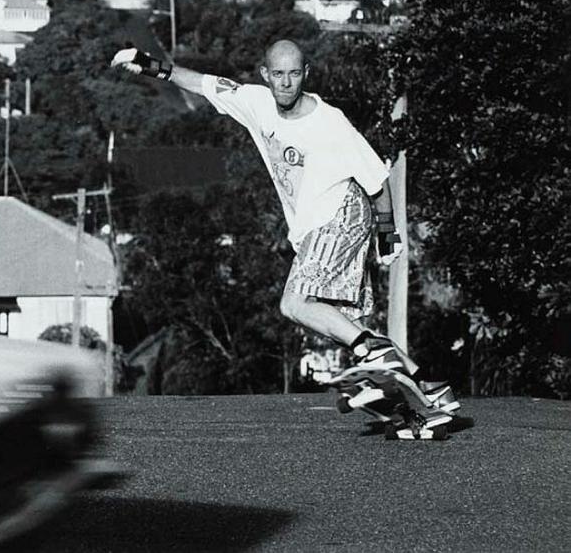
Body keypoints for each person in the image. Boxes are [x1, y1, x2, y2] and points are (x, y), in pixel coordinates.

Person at [111, 39, 455, 409]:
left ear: (305, 74)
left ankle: (372, 355)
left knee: (294, 303)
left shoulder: (330, 121)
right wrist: (148, 65)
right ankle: (426, 389)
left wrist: (388, 233)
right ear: (266, 75)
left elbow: (376, 179)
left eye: (294, 74)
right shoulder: (254, 101)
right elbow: (200, 83)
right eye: (278, 75)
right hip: (314, 227)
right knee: (340, 320)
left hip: (343, 213)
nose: (286, 83)